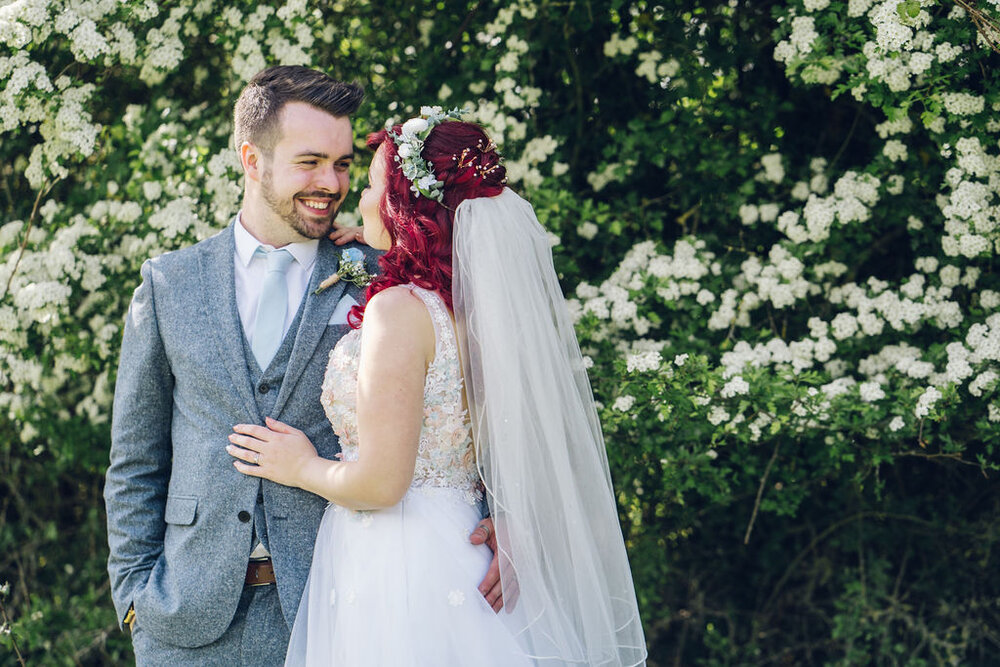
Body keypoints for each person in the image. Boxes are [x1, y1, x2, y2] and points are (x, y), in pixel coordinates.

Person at [104, 67, 501, 665]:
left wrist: (506, 522)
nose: (331, 183)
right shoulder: (169, 284)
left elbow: (473, 402)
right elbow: (135, 460)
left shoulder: (387, 273)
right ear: (252, 159)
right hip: (184, 621)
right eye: (310, 162)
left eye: (343, 165)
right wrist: (134, 597)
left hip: (335, 610)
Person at [226, 109, 648, 665]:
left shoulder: (398, 312)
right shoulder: (474, 310)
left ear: (403, 205)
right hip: (459, 544)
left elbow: (381, 484)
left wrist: (297, 465)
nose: (358, 200)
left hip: (397, 558)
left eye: (372, 186)